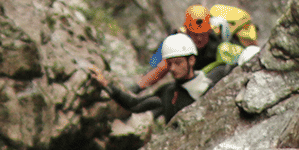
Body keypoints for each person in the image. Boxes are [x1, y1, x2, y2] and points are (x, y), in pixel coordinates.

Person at [90, 33, 233, 123]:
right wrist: (106, 84)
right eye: (170, 64)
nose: (172, 69)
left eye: (178, 63)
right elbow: (134, 104)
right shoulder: (167, 93)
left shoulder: (210, 88)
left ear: (191, 61)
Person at [131, 4, 257, 90]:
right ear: (187, 32)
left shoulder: (218, 40)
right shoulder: (178, 41)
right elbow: (161, 68)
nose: (199, 39)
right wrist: (137, 88)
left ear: (209, 30)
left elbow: (247, 53)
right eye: (195, 35)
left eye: (203, 34)